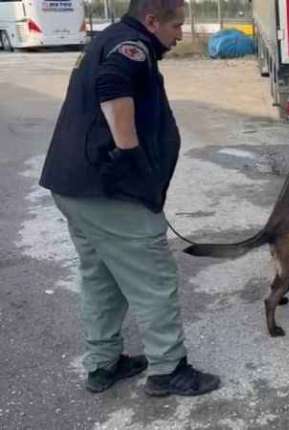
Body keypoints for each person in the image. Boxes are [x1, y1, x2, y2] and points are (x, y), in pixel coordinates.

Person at [39, 0, 220, 397]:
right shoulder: (131, 47)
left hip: (74, 188)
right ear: (151, 20)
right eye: (176, 26)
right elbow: (113, 83)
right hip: (111, 194)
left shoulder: (111, 37)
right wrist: (129, 154)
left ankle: (103, 364)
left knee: (101, 278)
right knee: (154, 280)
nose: (180, 35)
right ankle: (168, 369)